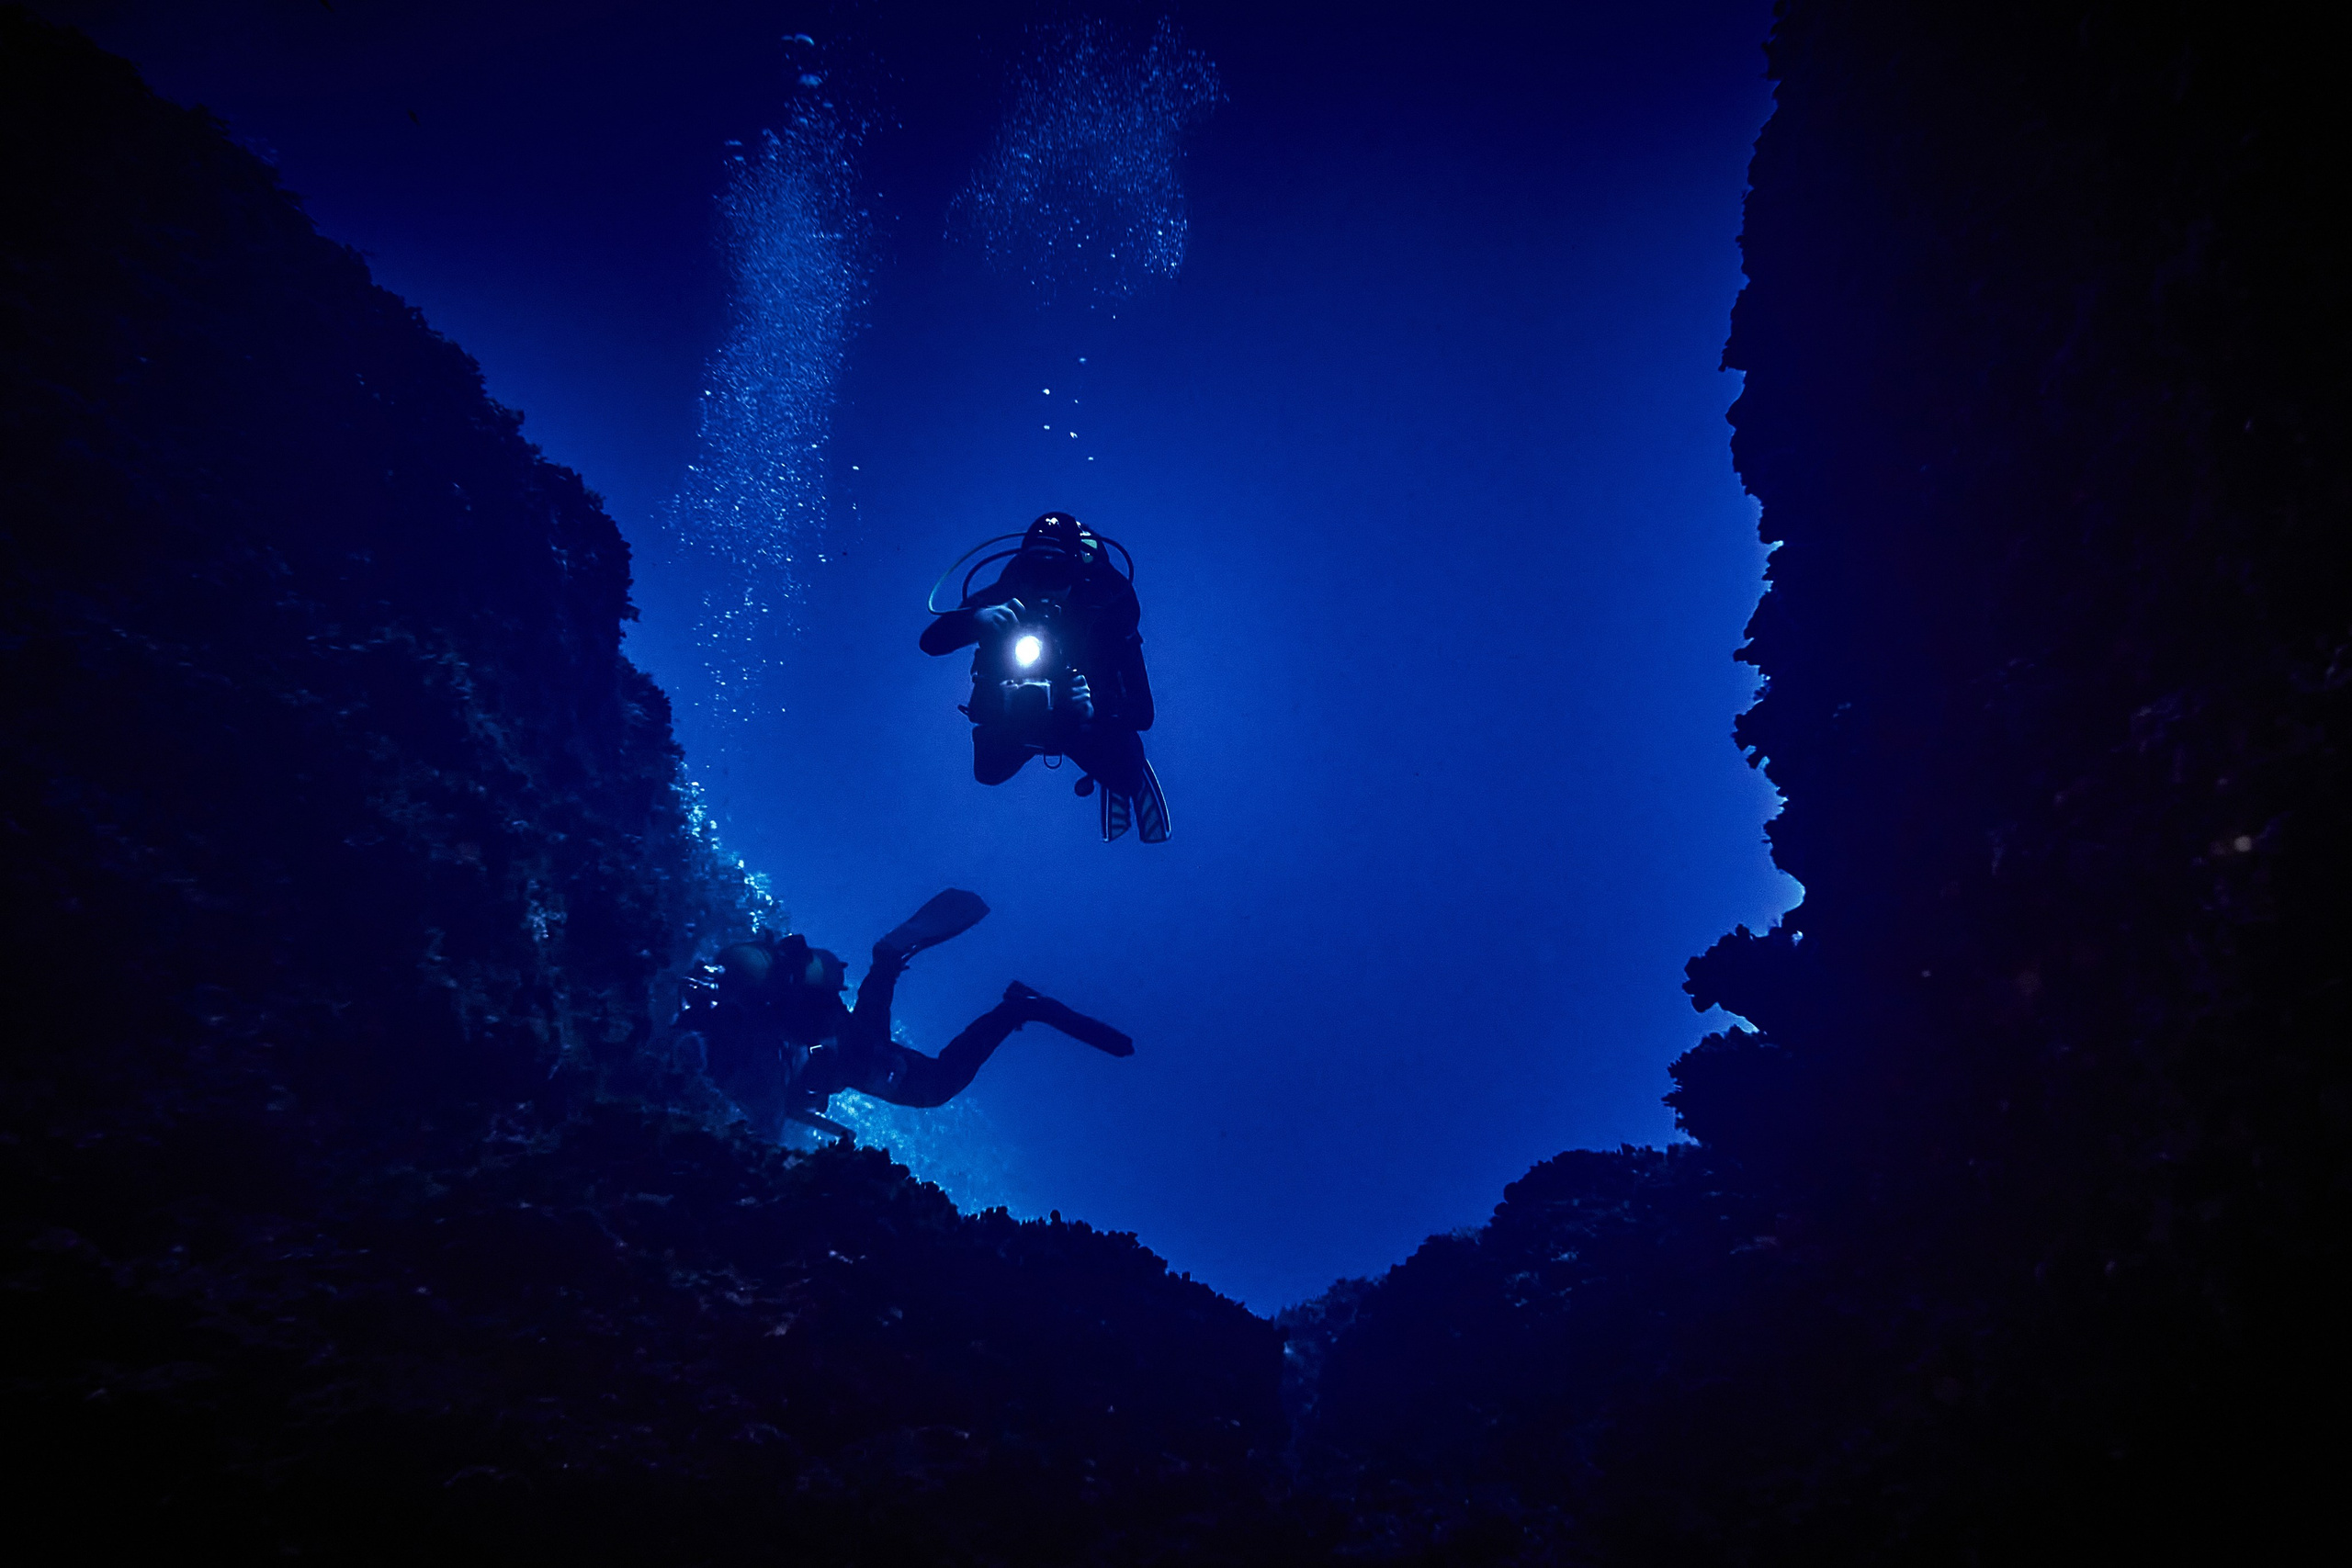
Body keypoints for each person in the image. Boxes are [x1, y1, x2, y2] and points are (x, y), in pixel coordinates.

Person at [677, 892, 1133, 1141]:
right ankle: (888, 960)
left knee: (936, 1086)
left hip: (854, 1055)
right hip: (844, 1040)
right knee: (880, 1038)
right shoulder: (736, 1009)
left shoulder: (734, 1037)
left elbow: (768, 1102)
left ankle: (1018, 1009)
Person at [922, 512, 1170, 842]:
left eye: (1058, 573)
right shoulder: (1005, 596)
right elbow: (931, 642)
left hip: (1082, 725)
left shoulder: (1106, 611)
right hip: (1019, 718)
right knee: (987, 771)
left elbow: (1144, 712)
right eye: (1035, 573)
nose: (1044, 589)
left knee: (1127, 775)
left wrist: (1096, 705)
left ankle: (1116, 765)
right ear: (1022, 569)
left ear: (1077, 573)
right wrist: (976, 618)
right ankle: (1062, 738)